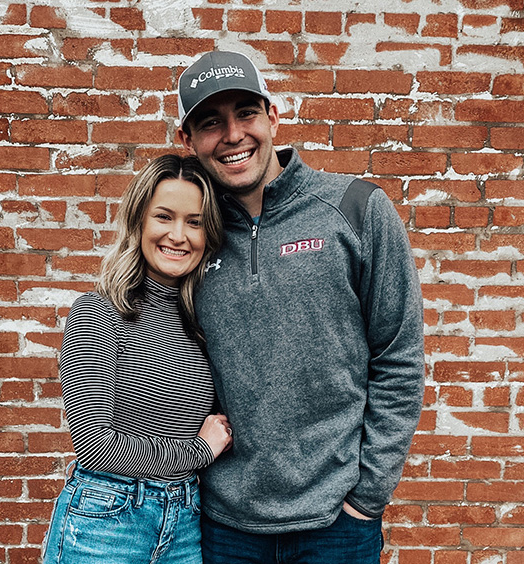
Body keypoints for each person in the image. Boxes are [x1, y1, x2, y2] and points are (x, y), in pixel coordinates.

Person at [175, 51, 425, 564]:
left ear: (273, 116)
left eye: (246, 112)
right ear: (187, 141)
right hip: (224, 524)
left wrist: (366, 497)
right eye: (210, 123)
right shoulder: (190, 235)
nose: (232, 134)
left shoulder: (355, 209)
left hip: (337, 523)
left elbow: (399, 359)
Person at [42, 154, 233, 564]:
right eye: (164, 217)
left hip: (184, 523)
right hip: (104, 521)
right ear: (139, 221)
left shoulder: (201, 322)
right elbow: (95, 447)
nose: (178, 235)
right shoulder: (98, 312)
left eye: (194, 222)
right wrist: (198, 452)